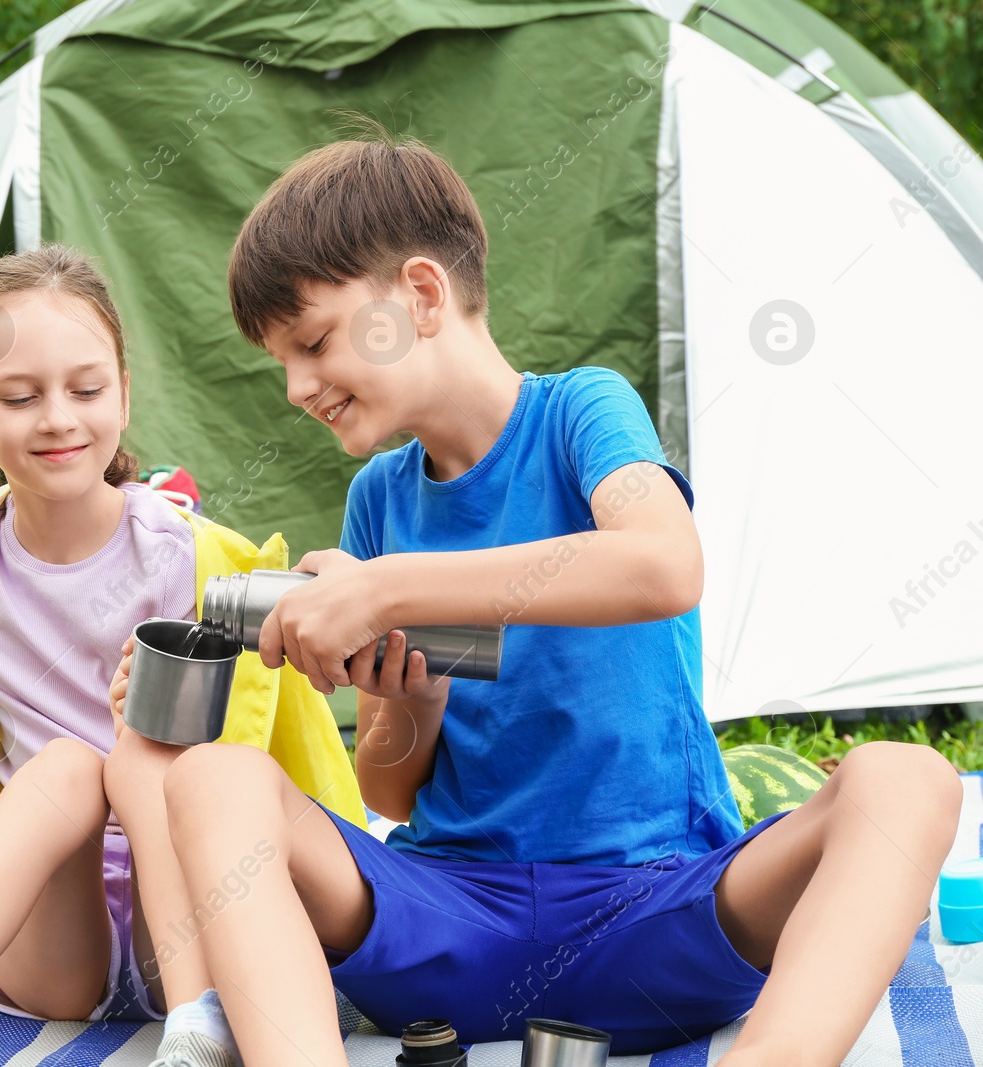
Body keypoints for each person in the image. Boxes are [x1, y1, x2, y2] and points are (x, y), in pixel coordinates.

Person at [155, 134, 962, 1067]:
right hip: (453, 923)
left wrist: (383, 587)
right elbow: (386, 785)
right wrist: (413, 703)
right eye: (280, 362)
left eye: (314, 342)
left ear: (419, 297)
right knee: (211, 779)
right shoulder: (380, 497)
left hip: (659, 913)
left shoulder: (583, 410)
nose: (296, 387)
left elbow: (662, 565)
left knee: (909, 779)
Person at [0, 244, 364, 1067]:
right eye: (19, 396)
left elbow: (289, 751)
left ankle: (196, 1024)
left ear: (126, 394)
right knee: (68, 766)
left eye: (87, 388)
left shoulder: (197, 559)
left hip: (190, 922)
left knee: (146, 752)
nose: (58, 418)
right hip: (50, 947)